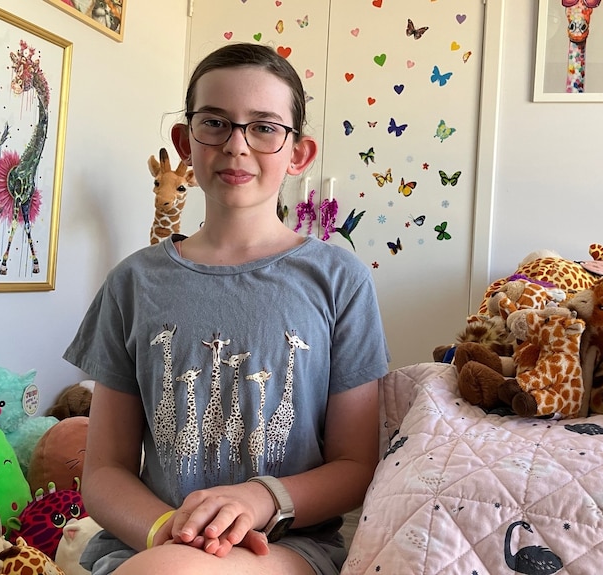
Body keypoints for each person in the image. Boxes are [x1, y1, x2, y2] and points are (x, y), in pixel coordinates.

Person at [63, 42, 390, 575]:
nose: (237, 145)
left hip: (285, 547)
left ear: (298, 153)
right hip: (148, 541)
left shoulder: (339, 279)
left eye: (263, 127)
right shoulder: (133, 281)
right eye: (215, 122)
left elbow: (355, 466)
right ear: (184, 142)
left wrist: (260, 499)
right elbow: (103, 473)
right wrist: (171, 533)